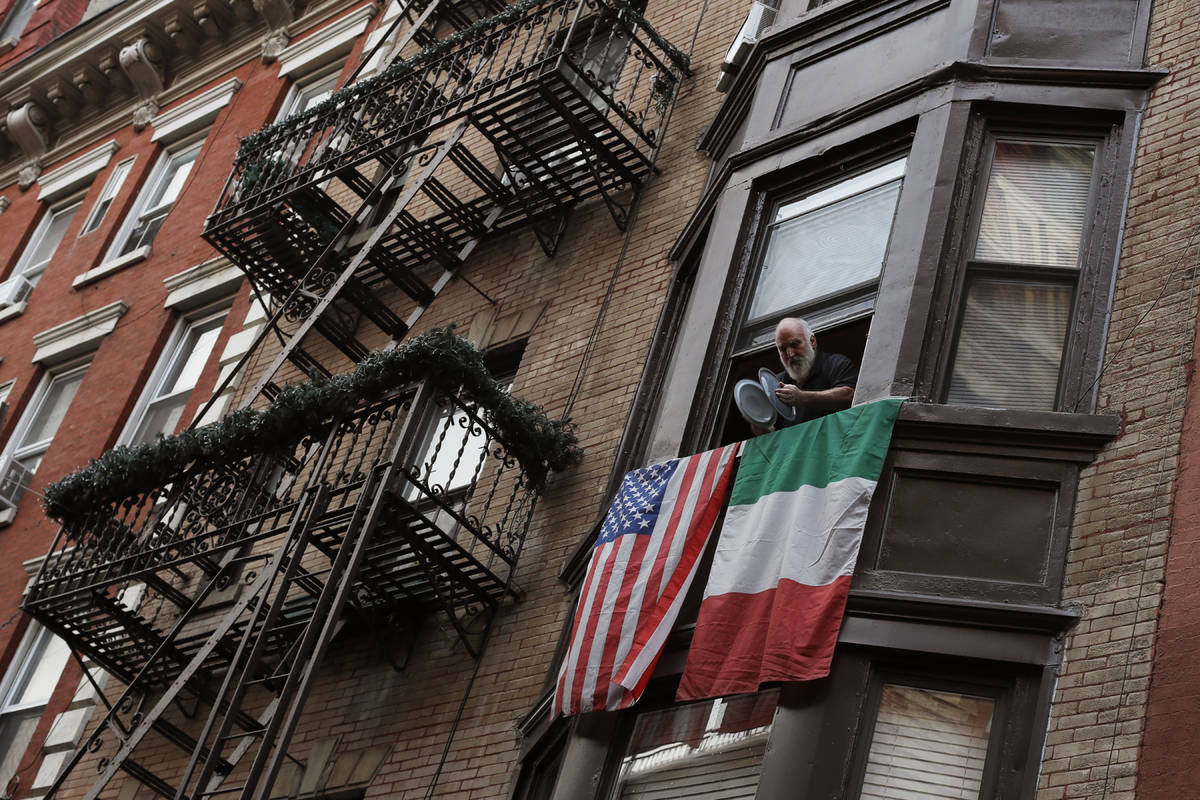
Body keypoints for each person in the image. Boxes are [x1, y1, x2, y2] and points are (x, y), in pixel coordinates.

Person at [771, 316, 857, 427]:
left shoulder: (835, 364)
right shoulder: (776, 382)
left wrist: (802, 397)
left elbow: (851, 397)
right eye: (782, 349)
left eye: (795, 344)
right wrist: (758, 421)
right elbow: (772, 432)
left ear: (812, 341)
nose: (790, 354)